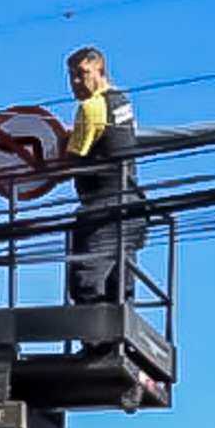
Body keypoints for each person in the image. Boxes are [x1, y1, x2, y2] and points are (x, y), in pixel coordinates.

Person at [62, 46, 150, 310]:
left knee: (88, 283)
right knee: (120, 288)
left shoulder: (91, 107)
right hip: (133, 208)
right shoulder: (122, 101)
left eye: (82, 74)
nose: (76, 82)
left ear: (100, 71)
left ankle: (95, 347)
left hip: (102, 209)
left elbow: (72, 158)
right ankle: (116, 343)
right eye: (72, 76)